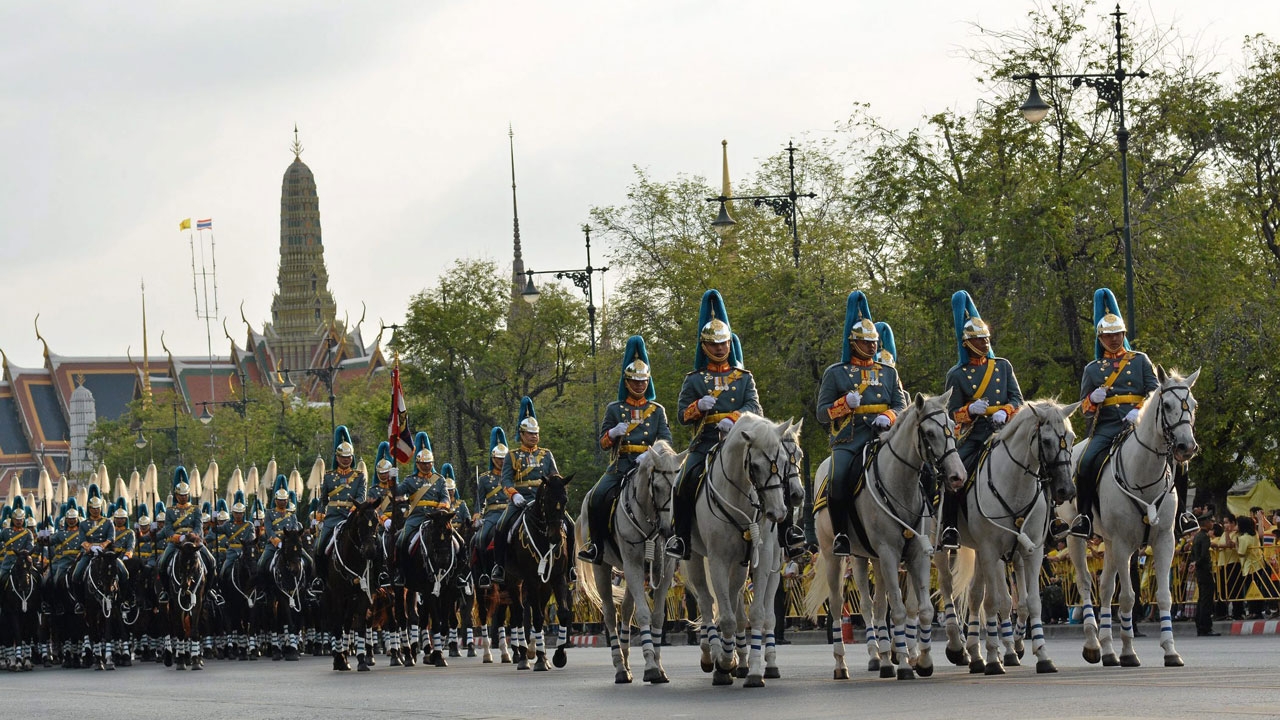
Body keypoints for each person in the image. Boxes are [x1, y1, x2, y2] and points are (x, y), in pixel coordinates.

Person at [1070, 288, 1198, 538]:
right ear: (1101, 338)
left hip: (1141, 426)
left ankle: (1183, 513)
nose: (1114, 339)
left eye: (1118, 334)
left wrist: (1139, 411)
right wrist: (1092, 400)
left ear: (1123, 334)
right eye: (1109, 336)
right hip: (1107, 428)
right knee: (1085, 463)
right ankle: (1084, 516)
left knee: (1180, 464)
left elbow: (1156, 392)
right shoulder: (1092, 369)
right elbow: (1085, 411)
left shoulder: (1139, 360)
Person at [666, 290, 765, 560]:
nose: (720, 348)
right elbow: (680, 415)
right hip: (706, 443)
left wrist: (732, 418)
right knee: (683, 483)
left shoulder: (744, 378)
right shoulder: (694, 380)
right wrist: (697, 407)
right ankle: (682, 538)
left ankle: (782, 533)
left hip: (741, 443)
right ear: (705, 346)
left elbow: (755, 408)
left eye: (724, 344)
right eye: (715, 344)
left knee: (773, 474)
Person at [815, 291, 907, 557]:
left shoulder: (888, 373)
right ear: (854, 343)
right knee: (838, 477)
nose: (872, 347)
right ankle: (842, 534)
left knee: (921, 470)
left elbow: (901, 406)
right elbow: (822, 413)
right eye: (866, 343)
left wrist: (888, 416)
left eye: (874, 342)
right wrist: (843, 404)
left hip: (884, 438)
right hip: (850, 440)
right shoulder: (836, 373)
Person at [940, 291, 1024, 549]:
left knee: (1041, 463)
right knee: (955, 477)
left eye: (986, 338)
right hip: (975, 436)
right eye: (978, 339)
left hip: (1006, 432)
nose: (985, 343)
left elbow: (1018, 399)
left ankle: (1051, 521)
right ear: (967, 343)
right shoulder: (957, 374)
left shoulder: (1003, 366)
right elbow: (952, 413)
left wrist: (1006, 411)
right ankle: (951, 527)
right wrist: (971, 410)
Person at [580, 335, 672, 564]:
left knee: (672, 492)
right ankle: (596, 545)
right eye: (635, 381)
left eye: (643, 381)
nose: (639, 385)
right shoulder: (614, 409)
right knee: (597, 496)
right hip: (622, 464)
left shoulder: (657, 410)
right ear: (627, 381)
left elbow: (666, 440)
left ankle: (675, 540)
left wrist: (651, 454)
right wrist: (612, 434)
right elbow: (602, 444)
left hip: (650, 465)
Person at [492, 396, 560, 583]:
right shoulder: (512, 455)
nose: (534, 437)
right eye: (530, 434)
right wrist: (514, 495)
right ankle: (498, 566)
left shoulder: (546, 455)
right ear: (521, 434)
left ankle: (570, 567)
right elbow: (506, 480)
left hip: (543, 499)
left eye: (536, 433)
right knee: (500, 526)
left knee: (567, 524)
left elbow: (555, 477)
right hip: (521, 500)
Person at [314, 425, 367, 582]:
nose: (346, 459)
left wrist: (353, 512)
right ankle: (320, 579)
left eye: (349, 457)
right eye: (343, 457)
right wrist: (319, 513)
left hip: (352, 517)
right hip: (333, 518)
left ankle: (375, 577)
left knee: (373, 543)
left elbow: (361, 497)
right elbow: (323, 499)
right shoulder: (329, 476)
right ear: (337, 458)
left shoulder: (359, 476)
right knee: (319, 546)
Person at [396, 431, 448, 571]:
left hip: (436, 518)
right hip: (416, 517)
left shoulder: (440, 479)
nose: (426, 466)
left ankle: (460, 572)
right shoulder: (410, 480)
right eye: (423, 463)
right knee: (401, 540)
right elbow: (397, 492)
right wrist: (393, 479)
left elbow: (445, 497)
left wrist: (440, 509)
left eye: (428, 463)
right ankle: (401, 572)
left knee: (458, 541)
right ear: (417, 463)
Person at [474, 428, 509, 588]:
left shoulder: (513, 475)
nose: (501, 462)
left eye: (504, 459)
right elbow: (480, 501)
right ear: (493, 458)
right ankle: (484, 573)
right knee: (481, 538)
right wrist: (477, 516)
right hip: (493, 513)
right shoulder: (484, 479)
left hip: (510, 510)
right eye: (498, 459)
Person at [72, 484, 116, 592]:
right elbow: (82, 540)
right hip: (89, 553)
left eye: (98, 508)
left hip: (106, 553)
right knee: (76, 575)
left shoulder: (108, 522)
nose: (96, 510)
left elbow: (111, 537)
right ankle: (79, 602)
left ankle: (124, 600)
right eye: (93, 508)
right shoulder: (83, 524)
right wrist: (91, 548)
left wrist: (102, 547)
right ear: (89, 508)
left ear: (101, 508)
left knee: (124, 573)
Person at [1235, 515, 1278, 618]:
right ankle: (1257, 611)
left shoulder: (1243, 538)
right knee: (1258, 588)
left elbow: (1241, 553)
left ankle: (1254, 612)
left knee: (1251, 590)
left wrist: (1236, 544)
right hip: (1258, 565)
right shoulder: (1254, 535)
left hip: (1250, 567)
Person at [1188, 513, 1218, 635]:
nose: (1212, 523)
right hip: (1205, 570)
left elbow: (1193, 554)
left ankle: (1200, 626)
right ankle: (1206, 627)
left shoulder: (1197, 536)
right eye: (1210, 521)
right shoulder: (1205, 537)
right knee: (1206, 599)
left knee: (1201, 599)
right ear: (1205, 523)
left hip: (1199, 571)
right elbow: (1204, 554)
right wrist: (1197, 563)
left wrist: (1193, 563)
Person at [0, 500, 33, 585]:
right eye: (16, 519)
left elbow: (30, 546)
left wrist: (28, 555)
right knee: (1, 579)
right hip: (8, 562)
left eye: (20, 519)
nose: (18, 522)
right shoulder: (6, 532)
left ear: (23, 519)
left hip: (24, 561)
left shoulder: (28, 532)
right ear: (12, 519)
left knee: (38, 577)